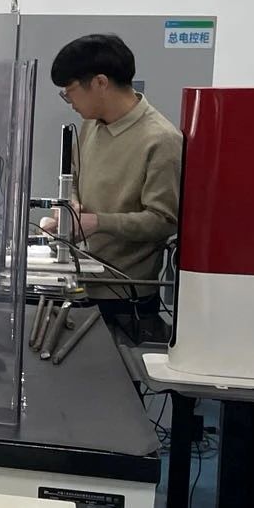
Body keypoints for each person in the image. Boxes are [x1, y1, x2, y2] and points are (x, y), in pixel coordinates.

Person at [43, 33, 182, 339]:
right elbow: (74, 178)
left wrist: (97, 223)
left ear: (100, 83)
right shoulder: (91, 124)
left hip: (124, 299)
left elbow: (163, 221)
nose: (69, 101)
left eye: (70, 91)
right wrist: (72, 206)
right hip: (81, 283)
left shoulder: (161, 140)